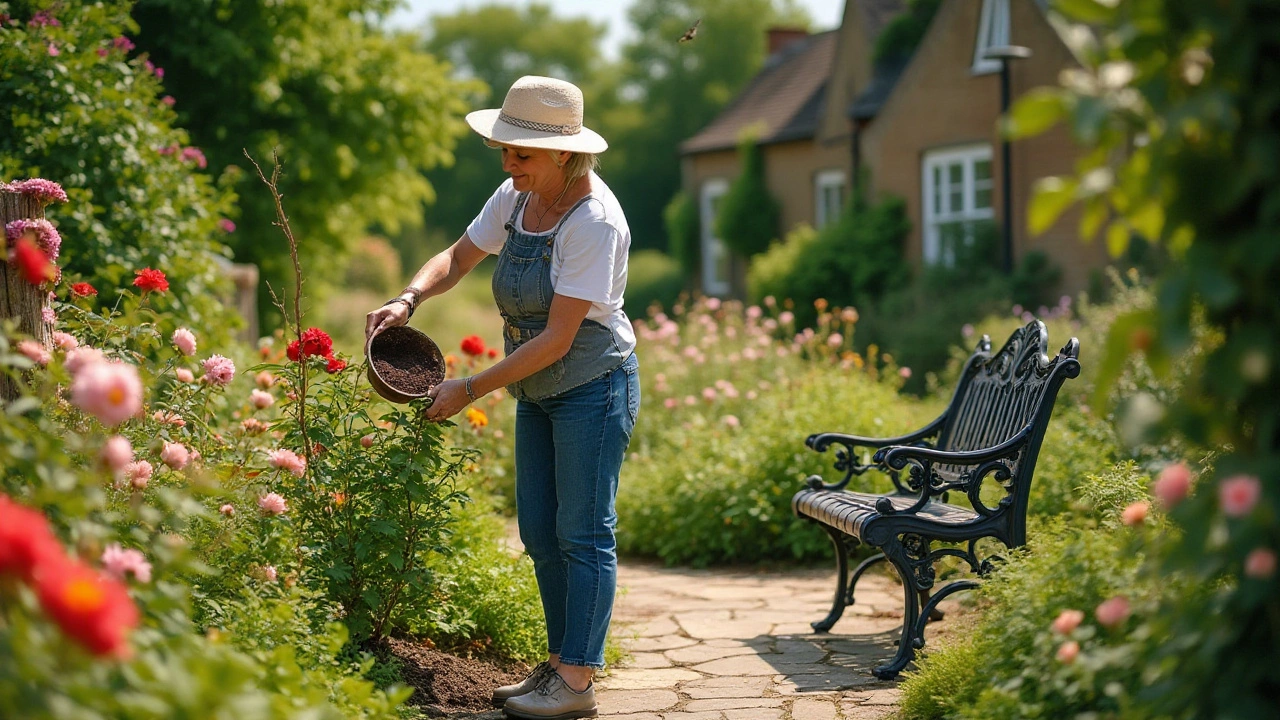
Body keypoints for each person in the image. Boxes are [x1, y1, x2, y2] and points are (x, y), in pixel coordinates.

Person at [364, 75, 639, 720]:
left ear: (566, 155)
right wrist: (408, 298)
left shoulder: (593, 220)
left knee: (584, 533)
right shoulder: (518, 196)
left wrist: (469, 388)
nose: (507, 162)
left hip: (592, 387)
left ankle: (576, 683)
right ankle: (558, 666)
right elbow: (458, 257)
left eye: (520, 153)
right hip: (538, 388)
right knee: (541, 533)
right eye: (505, 150)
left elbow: (558, 338)